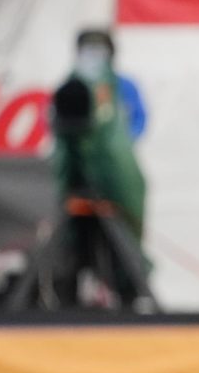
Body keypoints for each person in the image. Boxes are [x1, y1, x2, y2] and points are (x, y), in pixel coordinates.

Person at [48, 30, 150, 309]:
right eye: (87, 49)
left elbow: (140, 120)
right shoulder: (69, 86)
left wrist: (116, 143)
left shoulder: (123, 86)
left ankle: (129, 291)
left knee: (123, 241)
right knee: (71, 243)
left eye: (98, 50)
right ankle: (68, 293)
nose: (93, 57)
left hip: (114, 176)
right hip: (77, 177)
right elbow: (60, 126)